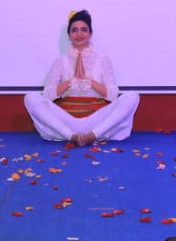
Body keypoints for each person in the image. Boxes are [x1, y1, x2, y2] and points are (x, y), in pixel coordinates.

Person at [23, 10, 140, 146]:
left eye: (84, 30)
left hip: (96, 120)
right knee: (31, 97)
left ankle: (92, 135)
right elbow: (47, 95)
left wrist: (88, 80)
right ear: (69, 35)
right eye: (74, 30)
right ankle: (71, 136)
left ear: (90, 33)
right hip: (66, 120)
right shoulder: (60, 61)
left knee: (132, 96)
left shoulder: (102, 60)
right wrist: (71, 82)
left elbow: (113, 95)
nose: (79, 34)